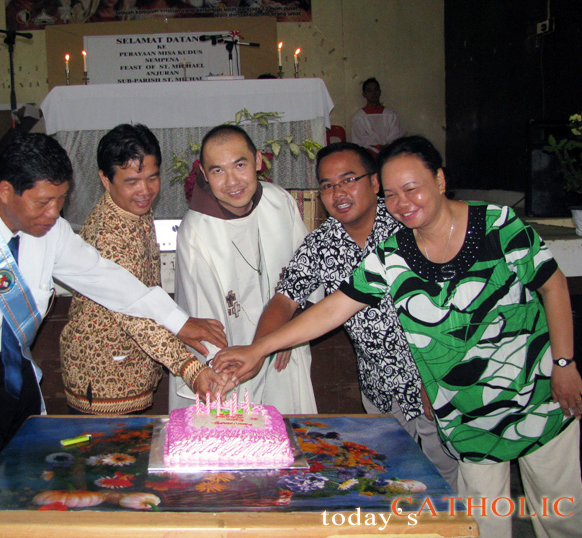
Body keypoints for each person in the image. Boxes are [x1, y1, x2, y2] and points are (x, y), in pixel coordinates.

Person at [215, 135, 582, 538]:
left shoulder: (495, 224)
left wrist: (564, 363)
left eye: (411, 188)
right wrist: (263, 347)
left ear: (439, 180)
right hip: (464, 411)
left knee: (561, 513)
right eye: (393, 194)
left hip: (532, 394)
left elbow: (552, 285)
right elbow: (334, 306)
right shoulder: (394, 253)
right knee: (482, 520)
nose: (403, 202)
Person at [0, 132, 226, 536]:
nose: (53, 212)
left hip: (16, 377)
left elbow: (106, 279)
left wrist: (179, 321)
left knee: (24, 494)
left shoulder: (48, 231)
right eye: (42, 202)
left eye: (61, 200)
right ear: (6, 192)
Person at [250, 141, 457, 487]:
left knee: (448, 475)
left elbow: (447, 305)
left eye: (348, 180)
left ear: (375, 183)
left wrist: (434, 379)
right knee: (393, 476)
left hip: (435, 380)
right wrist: (260, 349)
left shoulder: (407, 225)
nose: (338, 192)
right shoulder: (321, 244)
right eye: (328, 185)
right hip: (379, 387)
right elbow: (285, 299)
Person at [59, 124, 227, 414]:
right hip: (103, 381)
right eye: (132, 181)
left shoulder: (133, 209)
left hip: (134, 365)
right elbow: (132, 314)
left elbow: (145, 291)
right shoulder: (107, 236)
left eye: (152, 178)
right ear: (105, 179)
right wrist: (190, 368)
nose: (145, 191)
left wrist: (179, 321)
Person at [169, 124, 317, 413]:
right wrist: (225, 371)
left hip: (284, 348)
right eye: (218, 171)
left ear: (258, 162)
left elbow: (307, 273)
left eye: (240, 165)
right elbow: (204, 317)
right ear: (203, 175)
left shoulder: (278, 201)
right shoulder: (197, 231)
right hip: (230, 361)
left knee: (287, 434)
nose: (232, 181)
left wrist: (288, 333)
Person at [350, 77, 402, 156]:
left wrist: (386, 148)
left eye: (376, 90)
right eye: (369, 90)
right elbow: (362, 140)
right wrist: (378, 147)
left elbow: (395, 135)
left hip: (389, 154)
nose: (373, 93)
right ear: (364, 94)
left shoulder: (391, 115)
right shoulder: (358, 118)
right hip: (369, 155)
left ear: (380, 92)